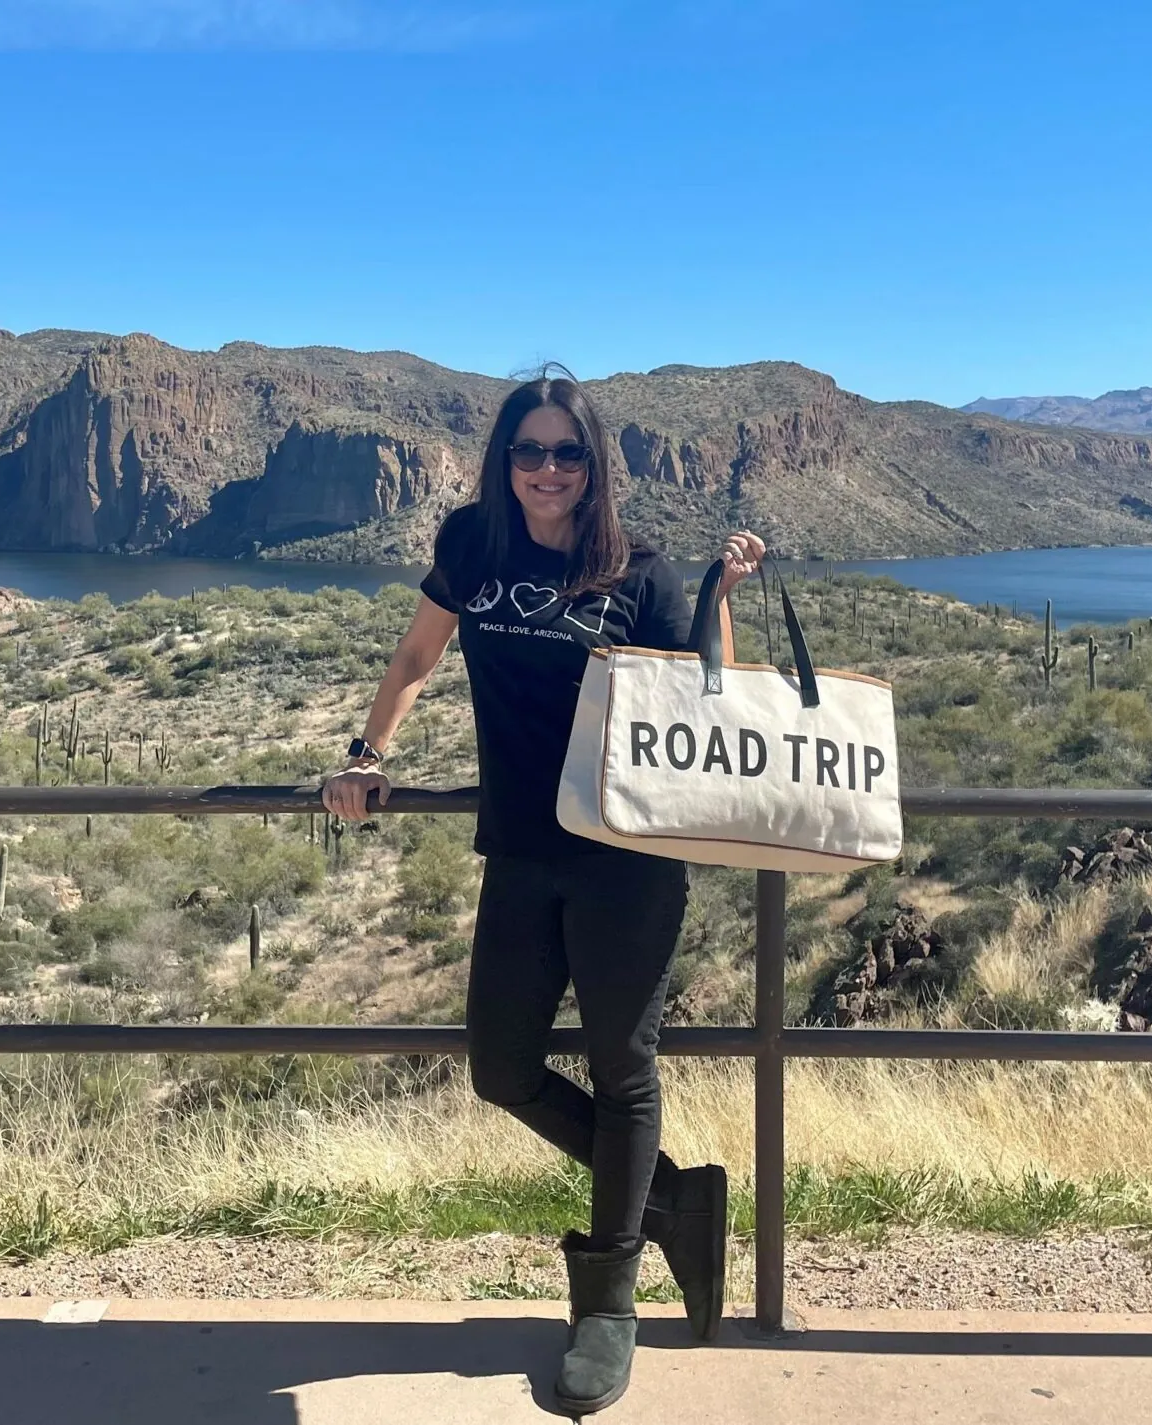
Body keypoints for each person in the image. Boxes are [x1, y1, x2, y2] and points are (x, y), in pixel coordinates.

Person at [323, 369, 764, 1415]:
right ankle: (673, 1203)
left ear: (593, 465)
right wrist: (365, 750)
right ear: (503, 460)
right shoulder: (473, 548)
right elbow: (418, 654)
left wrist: (718, 601)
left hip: (628, 861)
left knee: (623, 1070)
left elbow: (708, 695)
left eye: (568, 453)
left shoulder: (640, 571)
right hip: (520, 850)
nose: (548, 471)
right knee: (501, 1067)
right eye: (530, 451)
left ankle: (606, 1305)